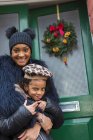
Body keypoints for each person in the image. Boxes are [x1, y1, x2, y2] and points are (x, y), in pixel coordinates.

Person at [0, 27, 64, 140]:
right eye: (16, 50)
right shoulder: (2, 69)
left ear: (30, 51)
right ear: (11, 52)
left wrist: (37, 125)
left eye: (25, 50)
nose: (21, 54)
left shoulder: (40, 70)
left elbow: (52, 105)